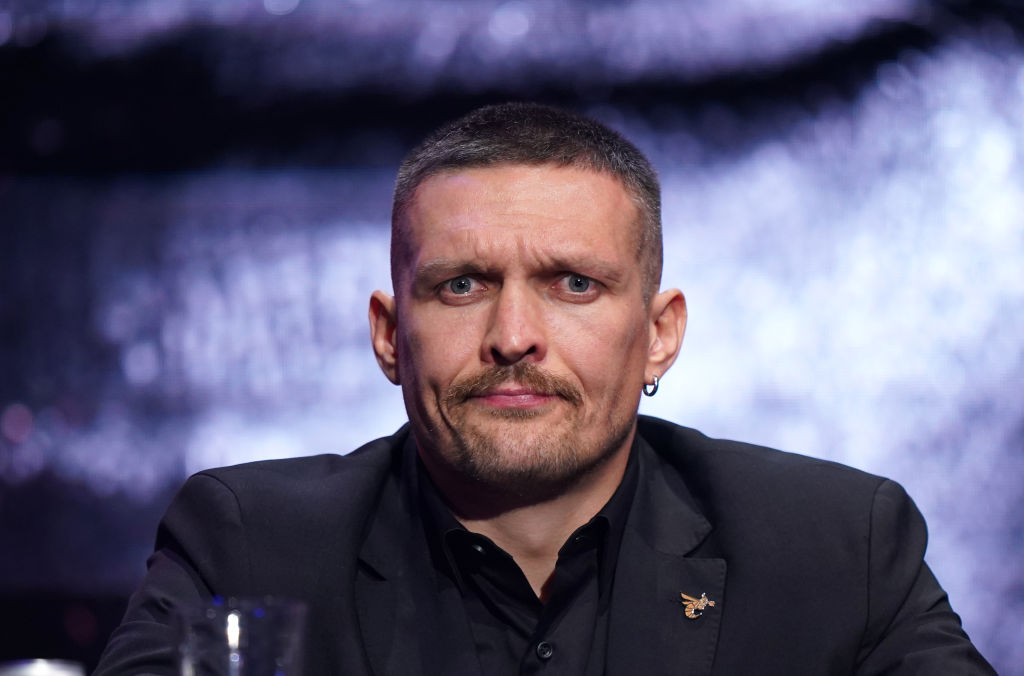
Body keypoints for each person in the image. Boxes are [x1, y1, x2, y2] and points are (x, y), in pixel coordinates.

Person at [95, 103, 995, 675]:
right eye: (461, 285)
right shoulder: (247, 547)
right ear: (389, 337)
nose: (513, 336)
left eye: (573, 284)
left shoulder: (839, 552)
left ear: (659, 334)